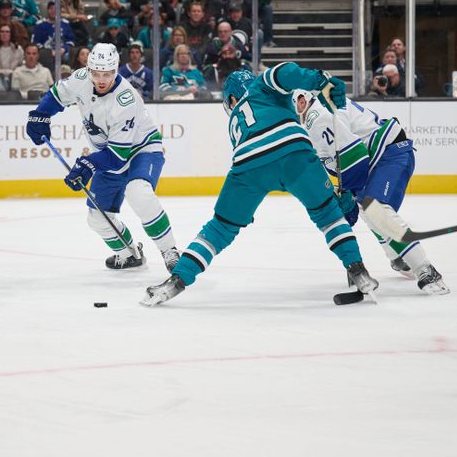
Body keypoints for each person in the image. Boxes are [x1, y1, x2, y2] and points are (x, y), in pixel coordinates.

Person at [141, 66, 378, 306]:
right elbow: (284, 71)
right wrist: (320, 80)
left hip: (249, 165)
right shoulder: (261, 85)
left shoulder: (235, 119)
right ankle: (359, 271)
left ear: (232, 98)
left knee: (219, 228)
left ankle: (177, 280)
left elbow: (258, 150)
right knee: (330, 216)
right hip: (294, 153)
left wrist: (241, 209)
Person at [26, 43, 180, 272]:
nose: (101, 79)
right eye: (96, 73)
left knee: (139, 192)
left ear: (115, 70)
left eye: (107, 74)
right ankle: (129, 254)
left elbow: (118, 157)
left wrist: (87, 165)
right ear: (88, 69)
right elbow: (57, 95)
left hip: (141, 149)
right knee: (97, 218)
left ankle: (170, 251)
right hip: (109, 153)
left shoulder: (125, 99)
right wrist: (40, 115)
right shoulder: (81, 78)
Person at [292, 90, 448, 295]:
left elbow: (353, 155)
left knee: (376, 209)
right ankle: (398, 255)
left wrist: (348, 190)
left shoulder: (316, 116)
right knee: (369, 211)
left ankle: (426, 269)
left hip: (389, 154)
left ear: (302, 101)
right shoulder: (317, 115)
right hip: (381, 158)